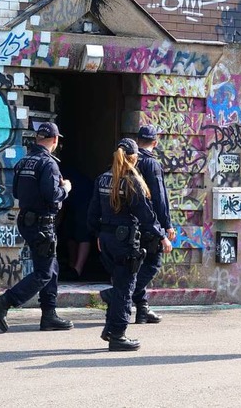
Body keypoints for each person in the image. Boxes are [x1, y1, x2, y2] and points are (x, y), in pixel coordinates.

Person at [87, 138, 172, 351]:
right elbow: (145, 214)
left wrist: (98, 234)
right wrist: (162, 235)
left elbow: (92, 214)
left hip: (106, 239)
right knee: (125, 288)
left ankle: (109, 329)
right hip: (124, 241)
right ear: (134, 157)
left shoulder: (102, 179)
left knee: (120, 283)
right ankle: (118, 335)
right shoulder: (131, 181)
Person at [0, 122, 73, 333]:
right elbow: (53, 196)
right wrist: (66, 189)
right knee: (44, 272)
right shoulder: (49, 164)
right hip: (42, 223)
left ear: (37, 139)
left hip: (27, 219)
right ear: (55, 140)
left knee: (51, 269)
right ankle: (5, 301)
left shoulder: (24, 161)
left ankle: (49, 315)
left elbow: (16, 192)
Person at [130, 125, 176, 324]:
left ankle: (142, 309)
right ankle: (119, 293)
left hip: (128, 223)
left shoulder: (127, 161)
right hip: (149, 223)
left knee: (135, 265)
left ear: (137, 140)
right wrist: (167, 225)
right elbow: (159, 197)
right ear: (155, 143)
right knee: (152, 264)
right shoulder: (151, 163)